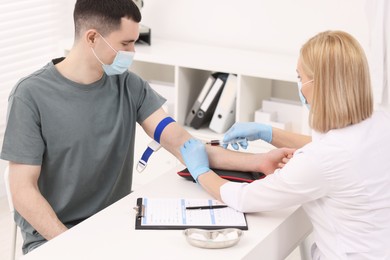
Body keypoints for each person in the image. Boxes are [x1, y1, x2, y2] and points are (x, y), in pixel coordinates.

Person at [0, 0, 292, 254]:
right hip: (55, 239)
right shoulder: (31, 95)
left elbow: (184, 144)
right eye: (125, 44)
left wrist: (259, 161)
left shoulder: (129, 86)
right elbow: (22, 190)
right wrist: (71, 245)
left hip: (114, 226)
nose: (132, 53)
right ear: (92, 37)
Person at [180, 30, 390, 259]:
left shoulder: (321, 159)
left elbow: (244, 198)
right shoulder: (380, 122)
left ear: (321, 85)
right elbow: (331, 150)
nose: (299, 87)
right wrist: (268, 133)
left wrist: (200, 171)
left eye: (301, 78)